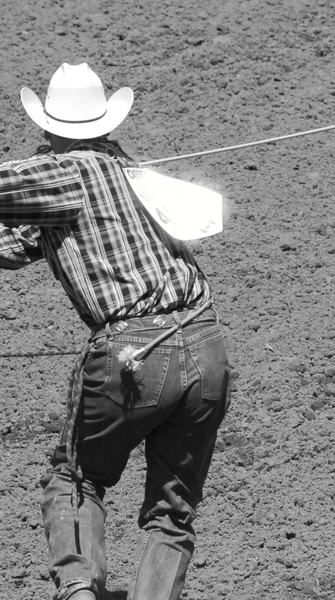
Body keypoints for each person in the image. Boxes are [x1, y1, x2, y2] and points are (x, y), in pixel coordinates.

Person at [0, 63, 231, 600]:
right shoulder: (130, 174)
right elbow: (25, 242)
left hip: (133, 351)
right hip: (205, 341)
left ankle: (80, 590)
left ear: (50, 127)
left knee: (76, 478)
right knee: (174, 514)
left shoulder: (69, 173)